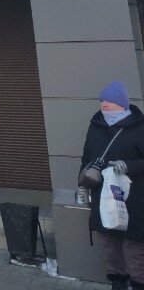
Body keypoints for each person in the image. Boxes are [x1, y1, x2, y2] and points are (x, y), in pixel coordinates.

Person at [80, 80, 144, 290]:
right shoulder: (96, 125)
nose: (104, 104)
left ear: (122, 103)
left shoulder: (139, 127)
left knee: (133, 245)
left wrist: (129, 166)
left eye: (110, 101)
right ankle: (118, 282)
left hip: (133, 197)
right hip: (103, 195)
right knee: (109, 242)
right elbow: (87, 158)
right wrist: (82, 185)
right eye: (102, 101)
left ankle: (138, 283)